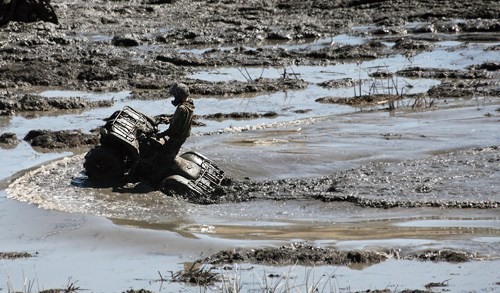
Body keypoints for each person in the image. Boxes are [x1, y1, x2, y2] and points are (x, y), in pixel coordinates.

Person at [151, 83, 195, 182]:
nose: (174, 98)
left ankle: (155, 180)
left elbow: (173, 130)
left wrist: (161, 134)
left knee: (163, 158)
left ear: (178, 96)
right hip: (182, 136)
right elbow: (182, 119)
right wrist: (170, 119)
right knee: (171, 154)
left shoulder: (181, 109)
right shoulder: (189, 104)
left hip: (176, 138)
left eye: (175, 96)